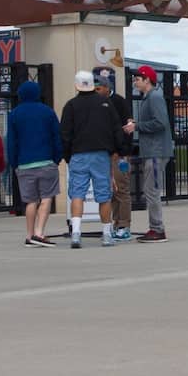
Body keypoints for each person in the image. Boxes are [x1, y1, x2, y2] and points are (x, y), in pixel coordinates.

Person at [59, 69, 126, 248]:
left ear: (76, 85)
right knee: (103, 195)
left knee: (78, 194)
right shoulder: (105, 103)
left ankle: (76, 233)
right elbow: (116, 129)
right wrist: (119, 149)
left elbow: (65, 133)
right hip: (101, 155)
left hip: (78, 154)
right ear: (93, 85)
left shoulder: (71, 106)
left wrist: (67, 155)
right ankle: (106, 234)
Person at [5, 81, 62, 248]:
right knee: (46, 198)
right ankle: (39, 233)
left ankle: (29, 235)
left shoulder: (14, 114)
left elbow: (11, 142)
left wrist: (14, 162)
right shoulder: (48, 112)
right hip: (46, 162)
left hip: (24, 164)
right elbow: (56, 138)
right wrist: (57, 158)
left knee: (30, 201)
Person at [131, 66, 172, 243]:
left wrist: (137, 126)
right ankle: (155, 228)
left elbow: (161, 123)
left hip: (156, 152)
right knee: (150, 190)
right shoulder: (149, 98)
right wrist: (137, 123)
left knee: (152, 191)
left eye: (137, 78)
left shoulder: (154, 97)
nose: (135, 81)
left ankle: (157, 230)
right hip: (152, 151)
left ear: (147, 79)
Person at [95, 69, 136, 240]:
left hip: (120, 155)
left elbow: (129, 127)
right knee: (110, 191)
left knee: (122, 189)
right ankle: (113, 223)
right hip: (104, 154)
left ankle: (124, 225)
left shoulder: (119, 102)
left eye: (98, 89)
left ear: (106, 87)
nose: (96, 92)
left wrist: (122, 151)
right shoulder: (96, 103)